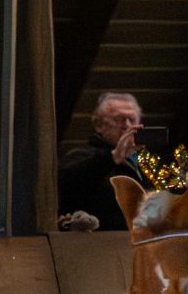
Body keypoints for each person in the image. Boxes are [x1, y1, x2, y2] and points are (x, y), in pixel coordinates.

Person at [59, 91, 146, 232]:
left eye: (132, 119)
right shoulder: (81, 156)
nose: (127, 126)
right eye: (119, 119)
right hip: (100, 239)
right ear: (99, 125)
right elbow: (66, 183)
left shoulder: (146, 162)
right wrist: (112, 158)